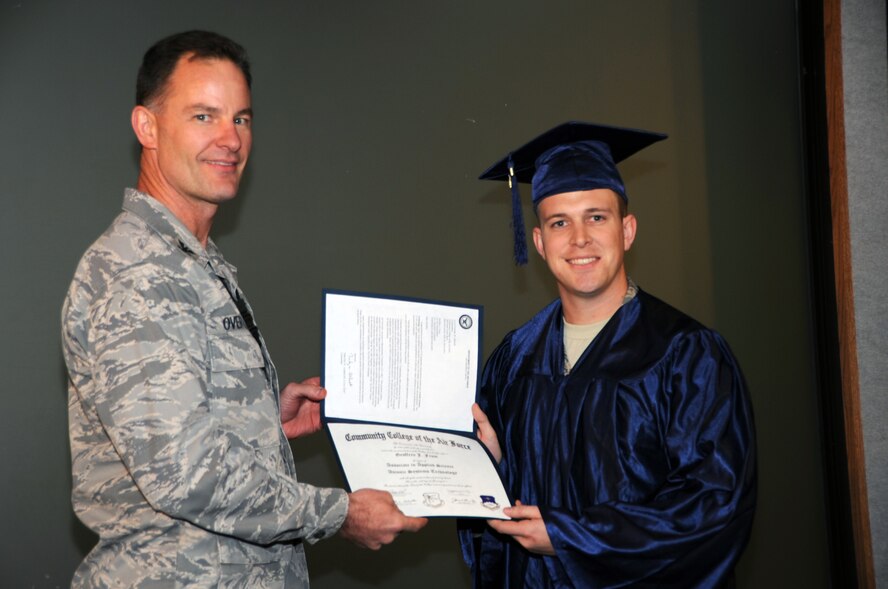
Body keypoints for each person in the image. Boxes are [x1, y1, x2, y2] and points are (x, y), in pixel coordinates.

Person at [61, 30, 426, 588]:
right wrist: (341, 513)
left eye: (242, 118)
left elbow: (172, 432)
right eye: (204, 116)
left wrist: (261, 420)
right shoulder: (139, 272)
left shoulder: (193, 261)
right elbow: (186, 474)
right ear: (148, 127)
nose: (229, 139)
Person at [459, 122, 756, 588]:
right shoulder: (513, 359)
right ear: (539, 243)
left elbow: (712, 507)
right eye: (560, 222)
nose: (579, 238)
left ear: (628, 230)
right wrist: (492, 464)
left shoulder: (686, 355)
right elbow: (499, 522)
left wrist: (571, 536)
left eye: (596, 217)